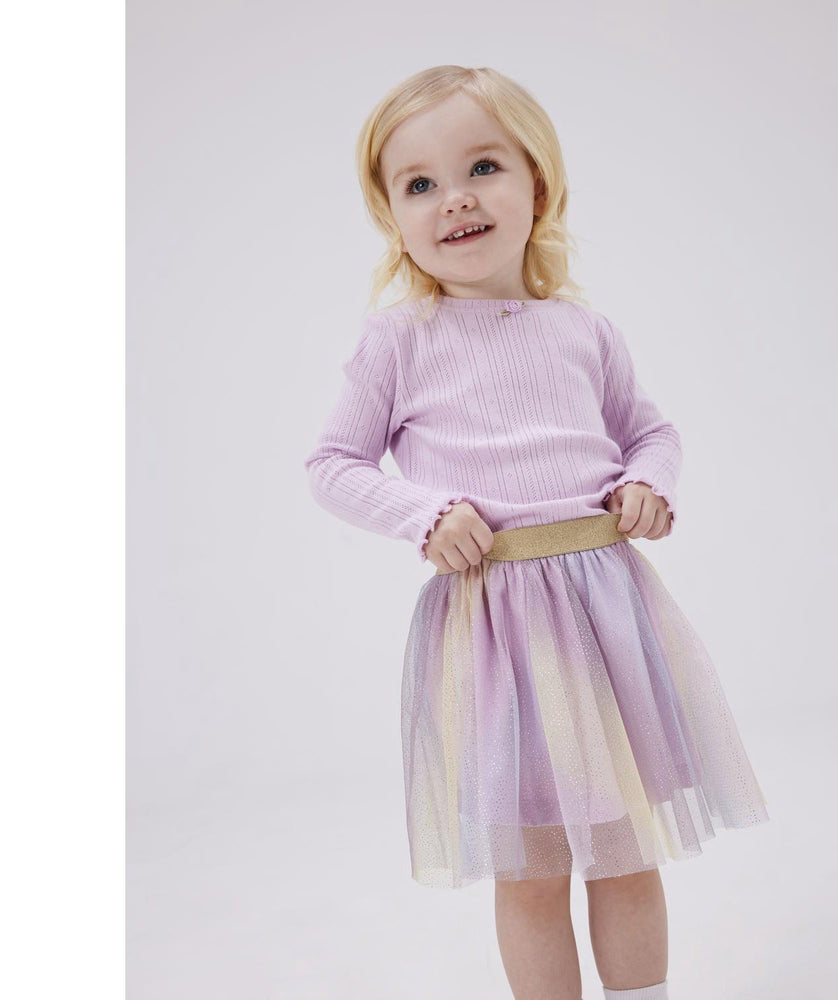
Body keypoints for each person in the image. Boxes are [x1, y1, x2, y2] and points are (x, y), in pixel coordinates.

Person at [303, 65, 769, 1000]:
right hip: (496, 636)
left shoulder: (583, 330)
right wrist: (423, 515)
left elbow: (652, 431)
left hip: (607, 617)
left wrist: (646, 482)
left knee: (628, 852)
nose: (456, 198)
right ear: (392, 216)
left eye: (483, 167)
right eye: (420, 184)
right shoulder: (399, 341)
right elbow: (333, 464)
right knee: (531, 870)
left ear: (539, 185)